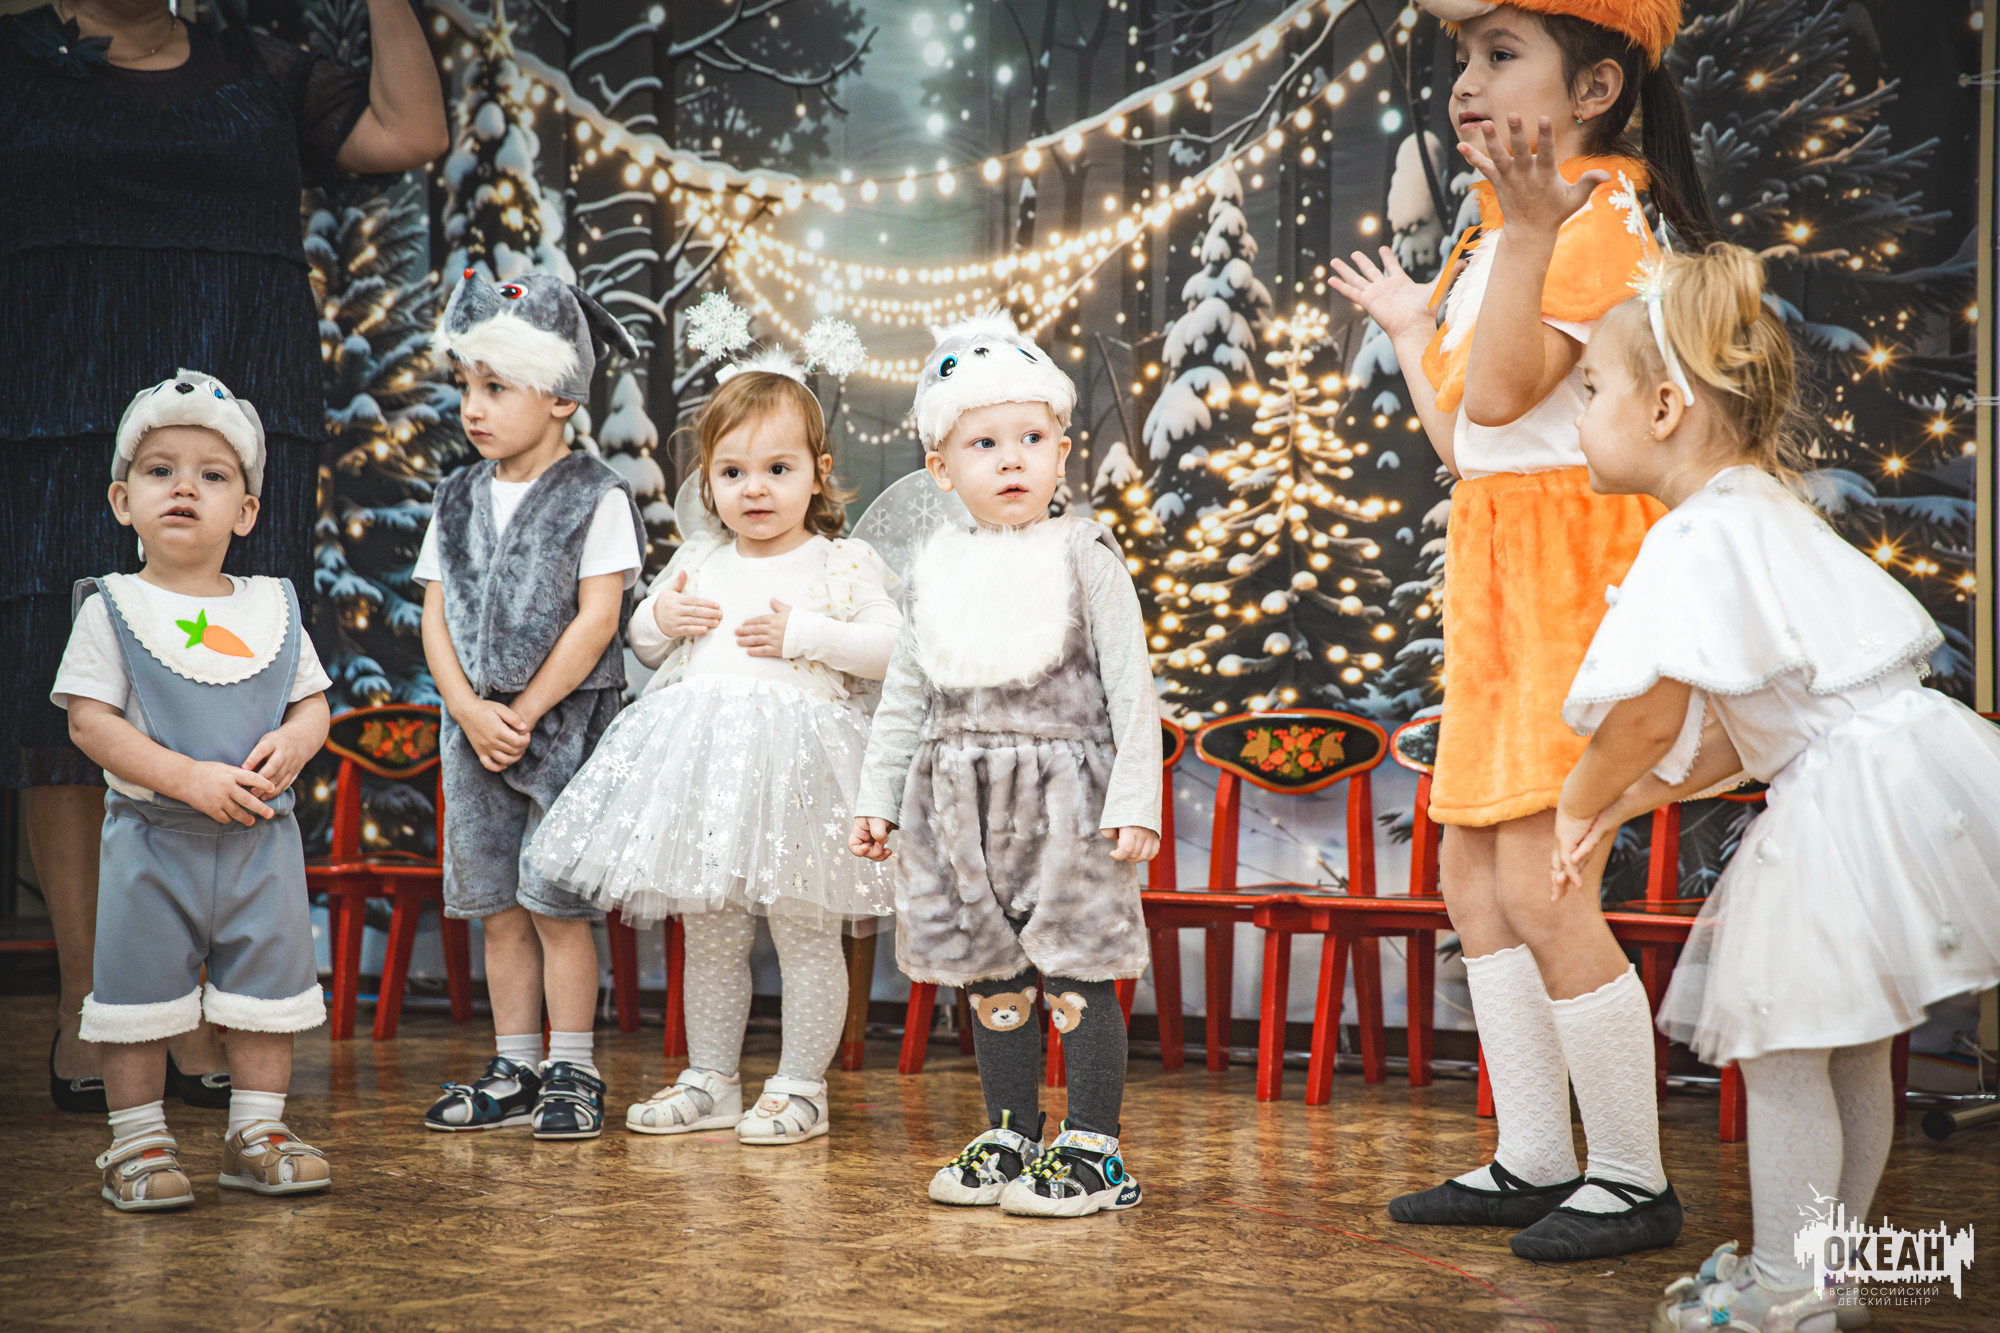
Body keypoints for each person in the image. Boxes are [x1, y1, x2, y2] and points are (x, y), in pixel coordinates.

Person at [1326, 0, 1726, 1262]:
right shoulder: (1506, 228)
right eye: (1462, 56)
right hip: (1497, 568)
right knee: (1472, 876)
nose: (1466, 80)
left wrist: (1536, 230)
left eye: (1501, 54)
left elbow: (1502, 394)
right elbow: (1467, 440)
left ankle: (1631, 1176)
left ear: (1594, 88)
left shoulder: (1592, 218)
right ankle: (1535, 1155)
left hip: (1569, 570)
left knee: (1543, 878)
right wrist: (1411, 331)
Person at [0, 0, 445, 1113]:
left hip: (238, 395)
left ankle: (197, 1000)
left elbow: (410, 129)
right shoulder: (12, 56)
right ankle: (98, 997)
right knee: (73, 691)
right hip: (56, 397)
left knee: (226, 674)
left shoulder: (258, 63)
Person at [1553, 243, 2000, 1331]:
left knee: (1783, 1046)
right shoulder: (1763, 508)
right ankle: (1825, 1274)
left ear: (1664, 408)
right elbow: (1756, 729)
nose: (1579, 415)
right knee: (1849, 1040)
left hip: (1845, 800)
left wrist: (1575, 798)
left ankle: (1788, 1283)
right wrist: (1632, 803)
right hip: (1892, 772)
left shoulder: (1692, 536)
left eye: (1591, 389)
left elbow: (1647, 717)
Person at [529, 338, 898, 1145]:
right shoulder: (700, 558)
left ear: (818, 472)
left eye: (777, 468)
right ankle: (712, 1079)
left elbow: (891, 649)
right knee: (711, 932)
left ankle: (801, 1087)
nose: (754, 487)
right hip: (707, 776)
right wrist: (661, 618)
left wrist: (807, 632)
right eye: (732, 472)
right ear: (708, 482)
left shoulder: (840, 564)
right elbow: (641, 639)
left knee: (806, 930)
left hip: (802, 777)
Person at [851, 311, 1162, 1219]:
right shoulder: (934, 571)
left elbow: (1132, 686)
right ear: (943, 468)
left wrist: (1135, 798)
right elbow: (904, 699)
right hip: (957, 800)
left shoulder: (1086, 556)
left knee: (1076, 965)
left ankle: (1094, 1146)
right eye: (984, 443)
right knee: (989, 971)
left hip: (1068, 799)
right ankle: (1012, 1130)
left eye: (1031, 438)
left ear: (1062, 452)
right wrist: (878, 797)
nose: (1011, 459)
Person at [56, 371, 333, 1211]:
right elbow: (90, 723)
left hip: (260, 842)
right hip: (154, 841)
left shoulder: (273, 607)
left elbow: (312, 703)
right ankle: (137, 1140)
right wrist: (186, 777)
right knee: (136, 997)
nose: (185, 486)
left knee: (265, 996)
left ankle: (258, 1131)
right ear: (122, 501)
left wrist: (295, 742)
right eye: (160, 470)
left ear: (244, 512)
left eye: (212, 475)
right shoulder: (113, 608)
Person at [416, 271, 643, 1142]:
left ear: (559, 397)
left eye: (496, 387)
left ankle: (573, 1065)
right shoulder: (455, 497)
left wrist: (528, 708)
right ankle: (514, 1062)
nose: (472, 407)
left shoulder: (597, 494)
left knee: (555, 903)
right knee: (498, 906)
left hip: (564, 731)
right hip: (473, 732)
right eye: (466, 385)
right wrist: (471, 709)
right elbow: (436, 615)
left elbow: (598, 618)